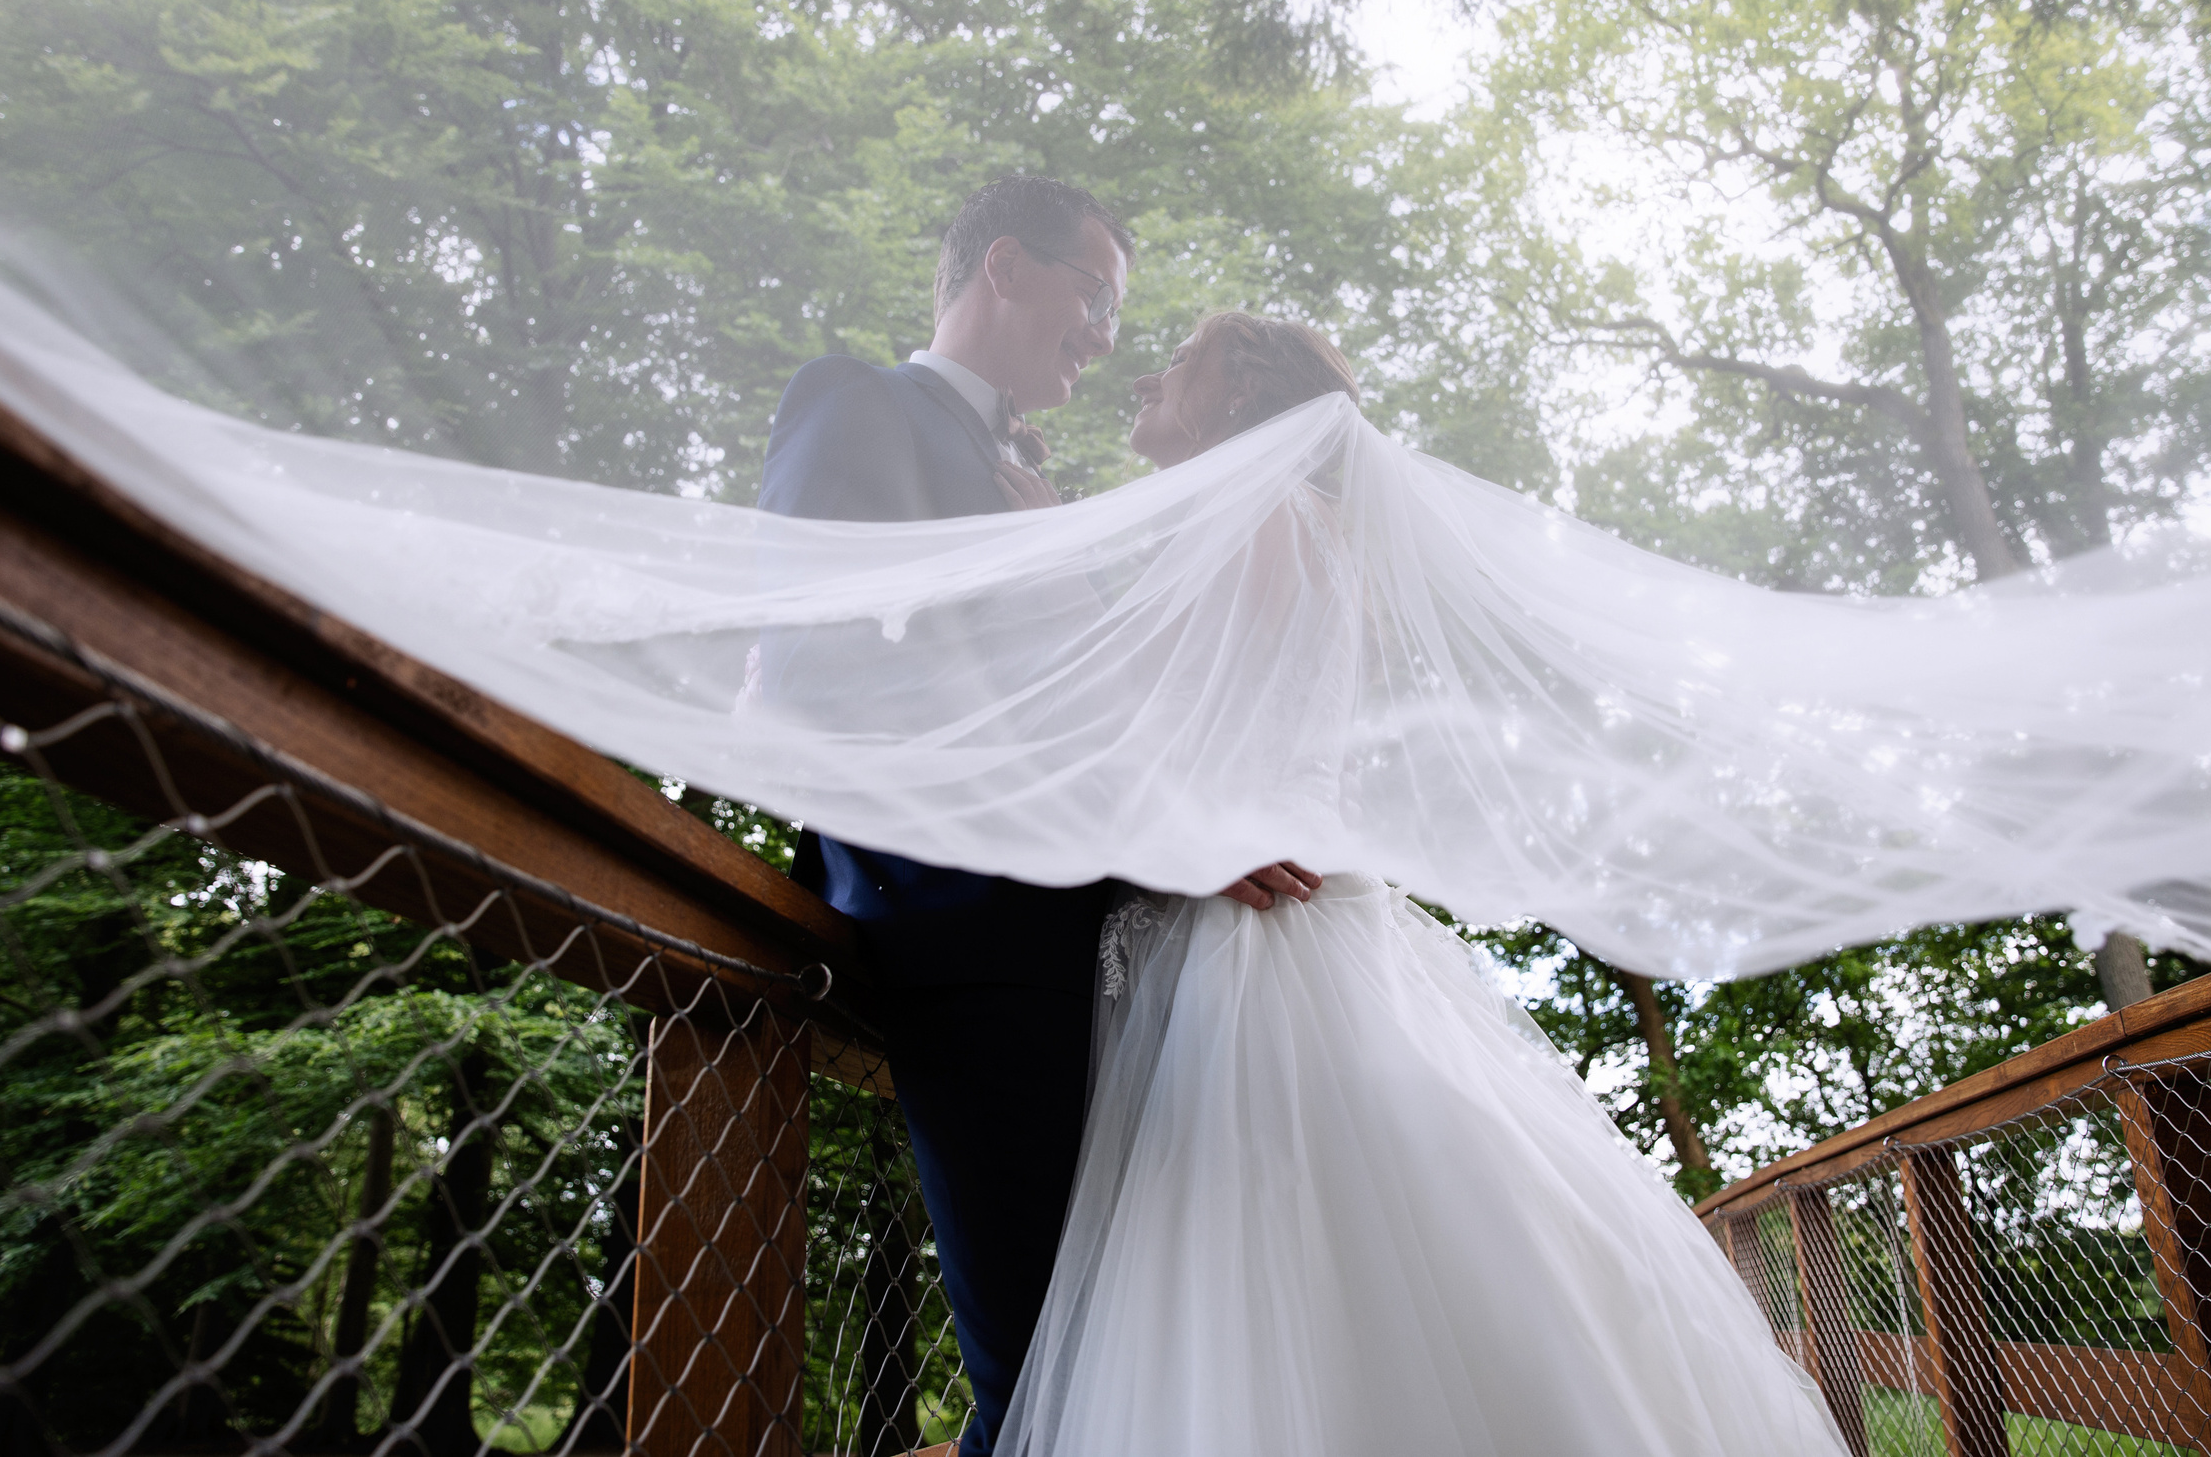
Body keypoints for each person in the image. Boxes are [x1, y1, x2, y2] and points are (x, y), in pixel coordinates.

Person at [991, 310, 1855, 1457]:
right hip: (1289, 923)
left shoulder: (1254, 517)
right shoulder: (1307, 530)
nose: (1145, 372)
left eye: (1180, 361)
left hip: (1254, 944)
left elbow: (1154, 734)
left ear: (1239, 400)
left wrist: (1037, 569)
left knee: (1263, 1265)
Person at [752, 182, 1314, 1455]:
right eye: (1098, 297)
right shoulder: (858, 404)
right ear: (1006, 266)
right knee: (1044, 1363)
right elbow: (817, 673)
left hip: (1107, 952)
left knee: (1118, 1351)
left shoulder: (1038, 486)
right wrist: (1147, 830)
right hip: (970, 934)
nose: (1110, 338)